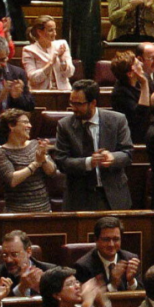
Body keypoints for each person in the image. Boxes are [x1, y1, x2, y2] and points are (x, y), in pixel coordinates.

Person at [51, 81, 133, 211]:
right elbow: (61, 161)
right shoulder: (64, 125)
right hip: (79, 197)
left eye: (79, 104)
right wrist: (89, 162)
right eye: (72, 103)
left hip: (113, 196)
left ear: (93, 103)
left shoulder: (117, 120)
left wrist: (112, 157)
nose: (74, 108)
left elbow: (128, 154)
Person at [0, 108, 53, 213]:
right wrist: (36, 163)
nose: (30, 126)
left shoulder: (36, 144)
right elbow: (12, 180)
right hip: (17, 212)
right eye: (25, 122)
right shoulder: (1, 153)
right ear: (11, 126)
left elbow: (52, 172)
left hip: (43, 210)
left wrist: (44, 160)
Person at [20, 16, 73, 91]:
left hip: (63, 91)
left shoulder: (62, 44)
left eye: (55, 30)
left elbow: (69, 73)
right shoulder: (28, 50)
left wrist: (61, 60)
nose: (55, 33)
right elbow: (33, 79)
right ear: (39, 32)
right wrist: (51, 63)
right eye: (50, 30)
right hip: (41, 93)